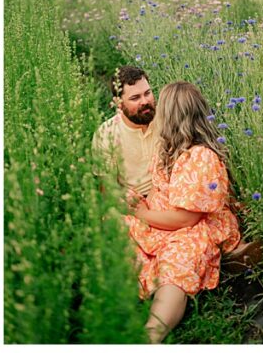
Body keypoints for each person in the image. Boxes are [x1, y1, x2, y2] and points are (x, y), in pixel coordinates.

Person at [125, 81, 246, 343]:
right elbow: (163, 192)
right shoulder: (167, 148)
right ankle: (126, 292)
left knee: (177, 263)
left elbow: (187, 218)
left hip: (191, 227)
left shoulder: (201, 157)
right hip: (163, 219)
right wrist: (136, 205)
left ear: (170, 116)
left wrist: (143, 215)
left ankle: (150, 336)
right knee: (117, 227)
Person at [92, 65, 158, 201]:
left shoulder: (168, 120)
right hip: (132, 202)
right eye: (135, 98)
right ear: (118, 103)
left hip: (168, 194)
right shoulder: (107, 133)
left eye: (147, 93)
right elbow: (108, 189)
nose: (145, 101)